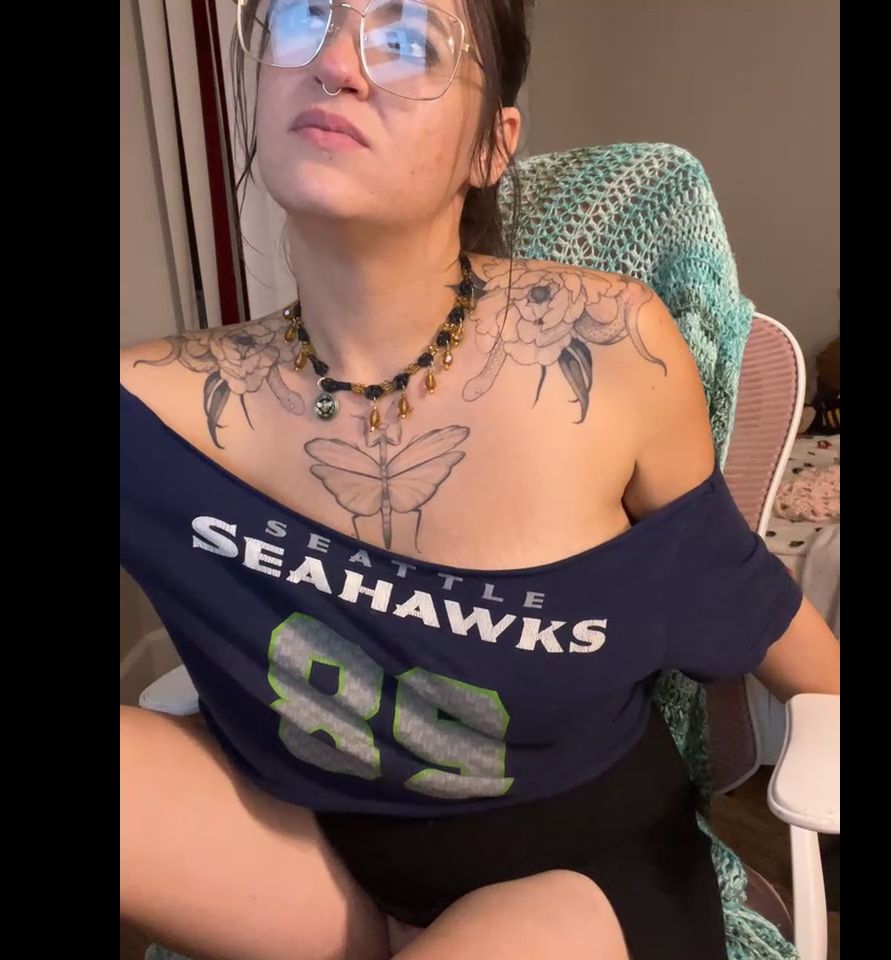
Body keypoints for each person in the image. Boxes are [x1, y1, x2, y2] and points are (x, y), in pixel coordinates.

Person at [120, 3, 840, 958]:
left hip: (579, 878)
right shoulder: (154, 406)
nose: (336, 63)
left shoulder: (606, 349)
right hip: (311, 860)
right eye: (302, 18)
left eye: (406, 40)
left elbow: (734, 588)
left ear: (491, 147)